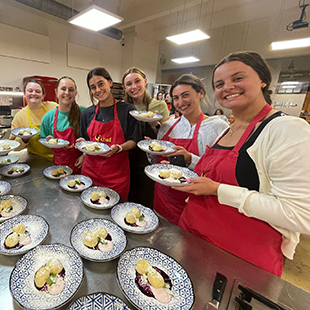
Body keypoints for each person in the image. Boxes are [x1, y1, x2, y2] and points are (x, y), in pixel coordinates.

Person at [175, 51, 310, 276]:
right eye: (219, 83)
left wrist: (218, 190)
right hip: (192, 237)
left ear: (263, 80)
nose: (227, 87)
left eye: (237, 78)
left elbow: (300, 215)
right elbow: (217, 173)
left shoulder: (287, 129)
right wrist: (191, 161)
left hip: (239, 258)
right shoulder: (230, 129)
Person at [153, 74, 228, 225]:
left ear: (201, 93)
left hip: (193, 202)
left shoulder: (218, 127)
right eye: (175, 98)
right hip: (163, 198)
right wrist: (152, 152)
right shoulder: (168, 126)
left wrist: (190, 159)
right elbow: (157, 162)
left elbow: (220, 172)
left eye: (185, 95)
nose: (180, 102)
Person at [80, 67, 141, 200]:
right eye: (93, 87)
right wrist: (81, 143)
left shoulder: (127, 110)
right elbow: (85, 140)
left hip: (116, 178)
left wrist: (119, 148)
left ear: (110, 82)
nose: (98, 90)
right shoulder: (87, 114)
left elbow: (134, 139)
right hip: (90, 174)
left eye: (101, 84)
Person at [122, 67, 170, 207]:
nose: (134, 87)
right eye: (129, 84)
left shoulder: (159, 105)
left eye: (137, 81)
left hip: (149, 162)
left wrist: (155, 125)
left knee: (145, 202)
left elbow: (165, 140)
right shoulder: (123, 107)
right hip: (126, 161)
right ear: (125, 88)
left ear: (145, 81)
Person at [40, 76, 85, 173]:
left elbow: (94, 138)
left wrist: (85, 155)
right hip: (58, 167)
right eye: (63, 89)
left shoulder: (84, 113)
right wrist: (49, 140)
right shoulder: (48, 117)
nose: (67, 93)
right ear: (56, 92)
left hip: (81, 166)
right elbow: (44, 139)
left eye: (71, 90)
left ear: (75, 93)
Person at [10, 79, 58, 160]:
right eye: (30, 91)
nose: (34, 94)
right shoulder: (20, 116)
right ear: (25, 94)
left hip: (58, 156)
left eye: (38, 91)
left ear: (43, 95)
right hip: (35, 158)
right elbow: (14, 146)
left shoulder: (53, 107)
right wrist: (24, 139)